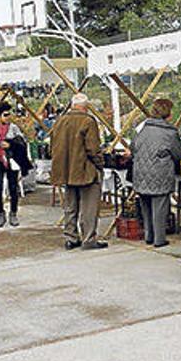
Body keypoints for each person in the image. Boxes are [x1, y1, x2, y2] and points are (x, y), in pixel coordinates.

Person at [51, 93, 106, 250]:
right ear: (86, 106)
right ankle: (88, 238)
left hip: (65, 170)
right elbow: (93, 149)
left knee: (70, 206)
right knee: (89, 207)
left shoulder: (60, 121)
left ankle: (71, 237)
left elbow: (52, 147)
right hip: (85, 170)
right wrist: (100, 164)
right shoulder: (88, 121)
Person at [132, 99, 181, 248]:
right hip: (159, 173)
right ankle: (159, 239)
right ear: (168, 113)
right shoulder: (169, 132)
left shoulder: (141, 128)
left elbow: (133, 147)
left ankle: (149, 235)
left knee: (146, 206)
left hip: (140, 173)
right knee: (159, 207)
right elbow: (179, 153)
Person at [0, 102, 30, 229]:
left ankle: (13, 212)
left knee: (13, 188)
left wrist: (11, 144)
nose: (8, 117)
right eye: (5, 114)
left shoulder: (13, 128)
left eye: (9, 114)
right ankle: (0, 213)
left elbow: (22, 143)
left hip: (11, 159)